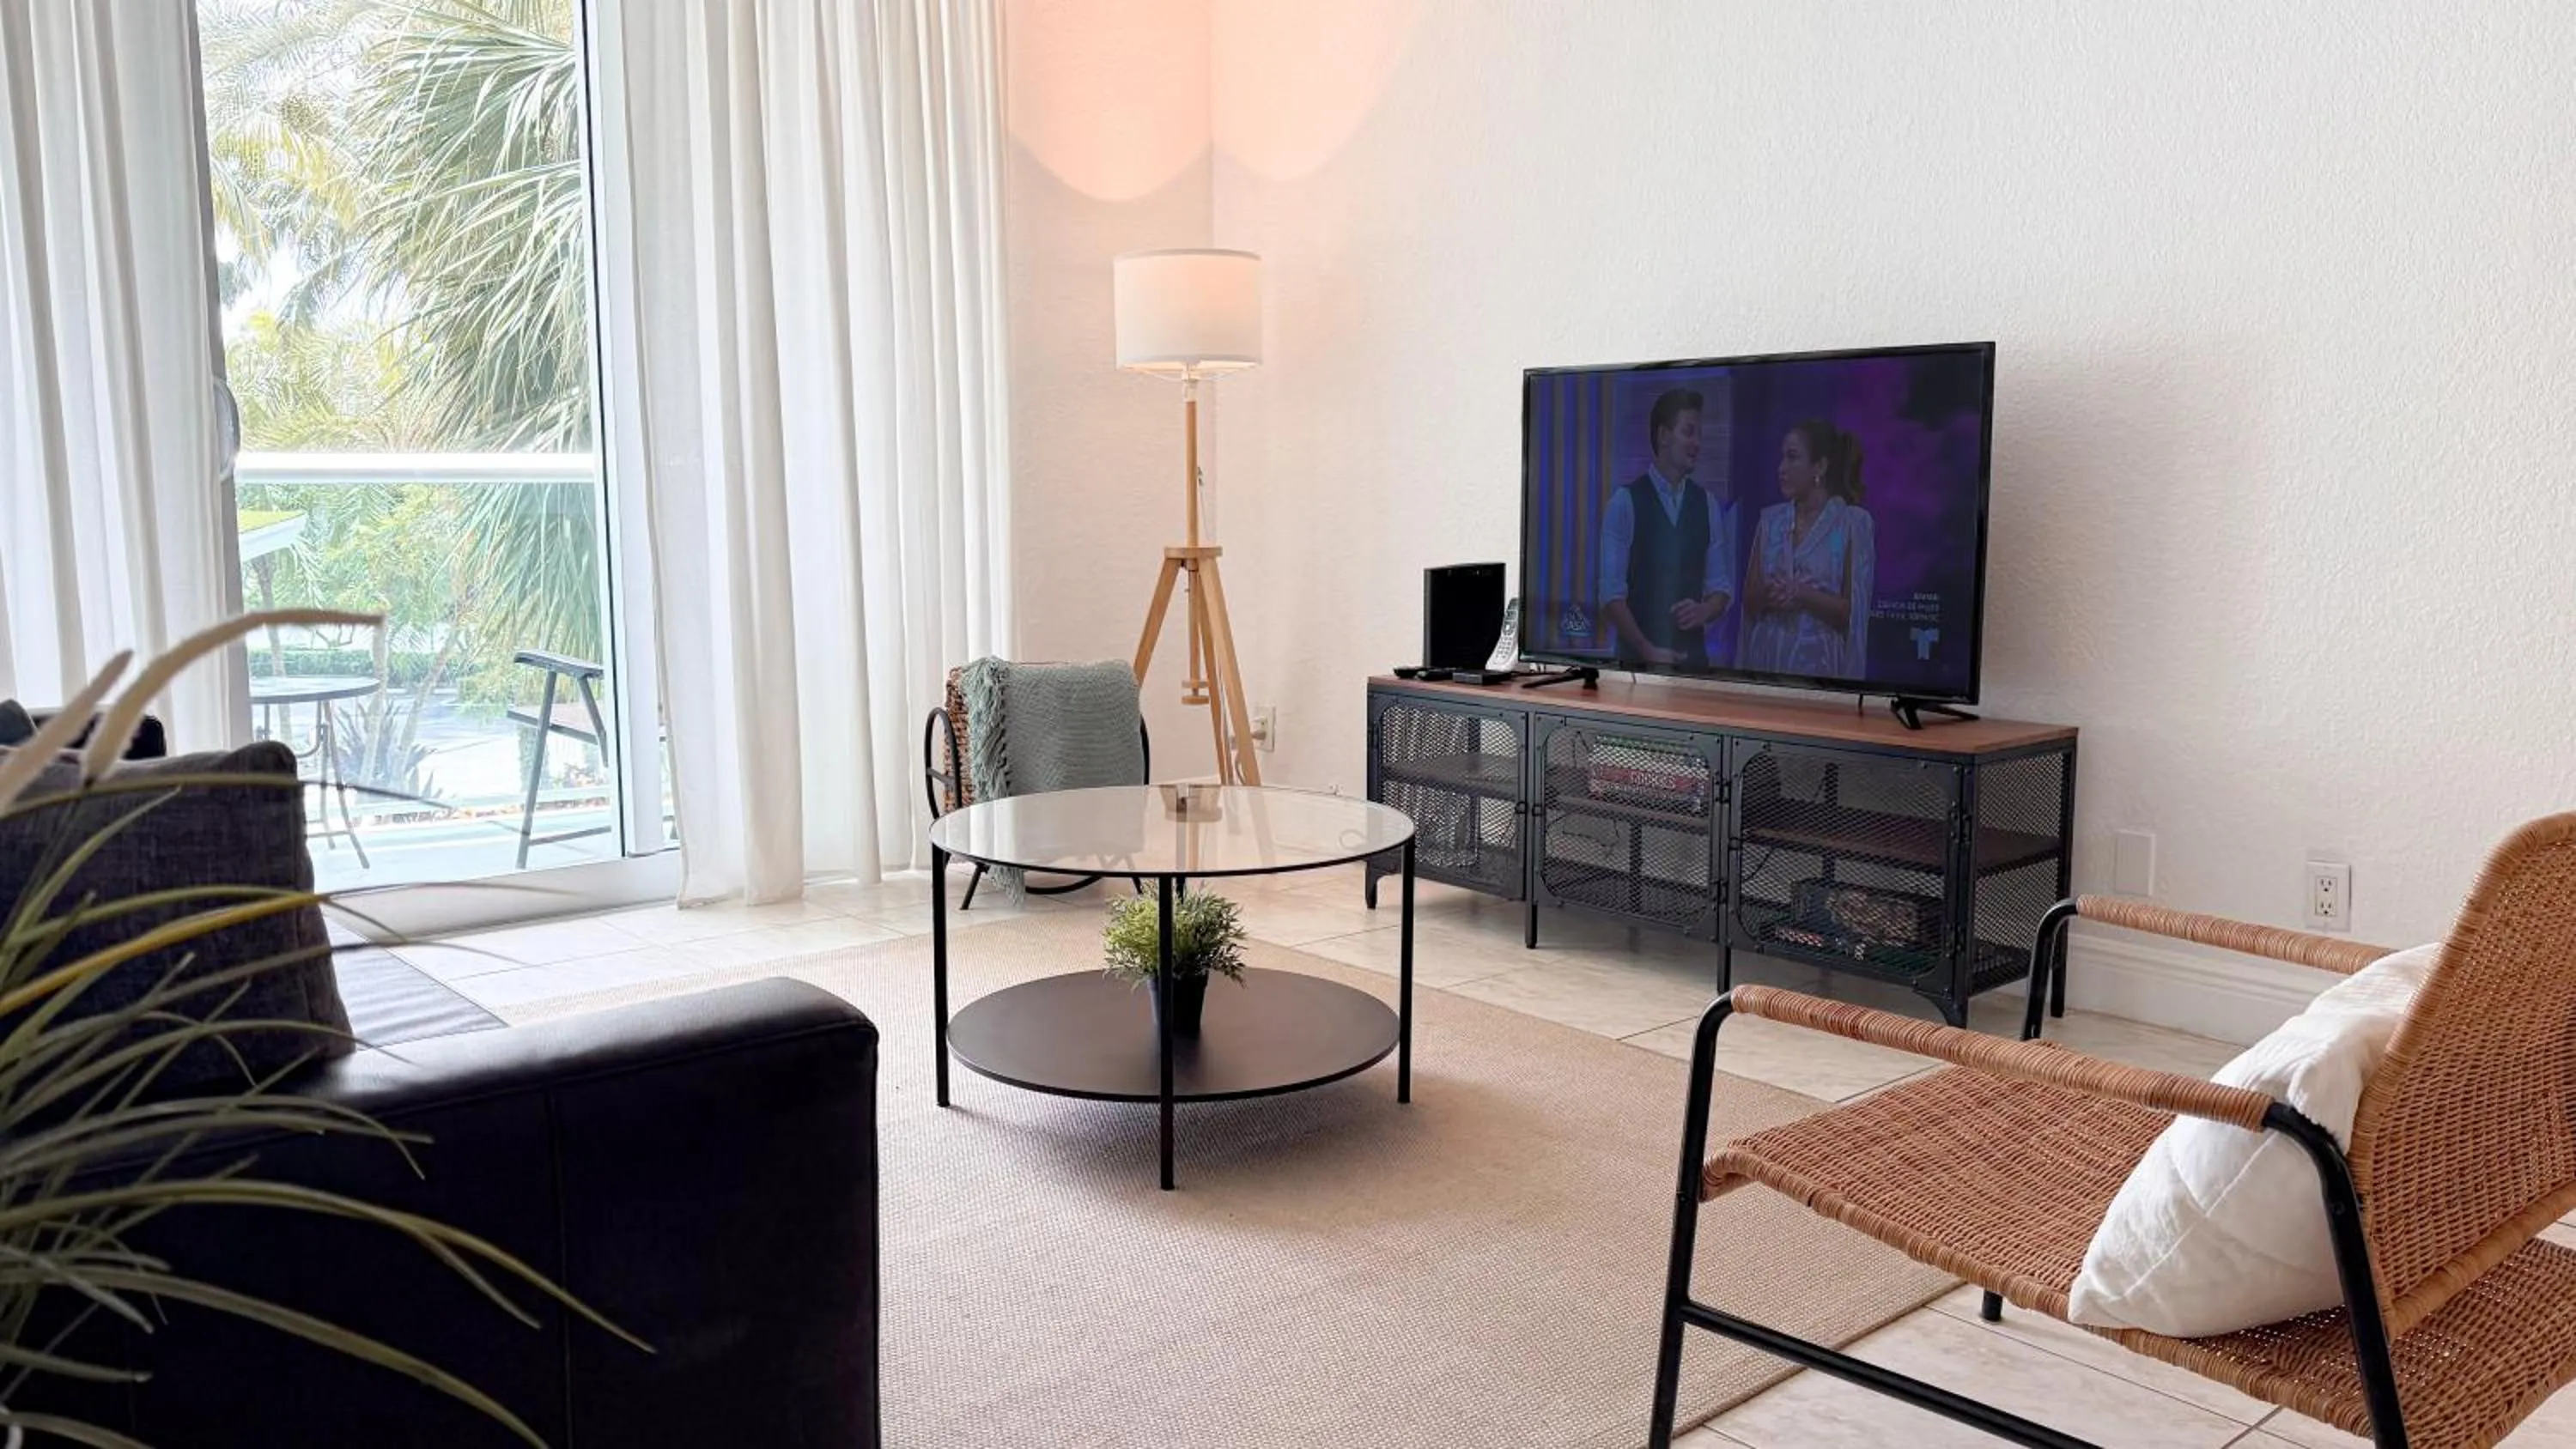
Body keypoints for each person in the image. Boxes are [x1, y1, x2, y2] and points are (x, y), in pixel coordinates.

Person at [1596, 387, 1735, 668]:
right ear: (1663, 436)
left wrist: (1705, 610)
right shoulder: (1624, 503)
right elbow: (1610, 596)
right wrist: (1647, 650)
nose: (1697, 443)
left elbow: (1721, 589)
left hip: (1694, 669)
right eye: (1689, 431)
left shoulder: (1708, 504)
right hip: (1635, 673)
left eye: (1700, 434)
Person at [1740, 419, 1875, 679]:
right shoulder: (1770, 521)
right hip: (1766, 662)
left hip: (1819, 668)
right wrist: (1769, 595)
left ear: (1820, 467)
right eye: (1782, 458)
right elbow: (1749, 600)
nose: (1781, 469)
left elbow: (1851, 613)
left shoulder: (1851, 524)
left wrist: (1801, 594)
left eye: (1792, 458)